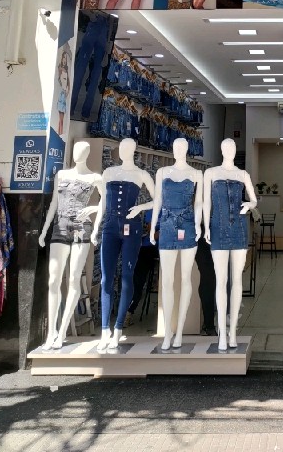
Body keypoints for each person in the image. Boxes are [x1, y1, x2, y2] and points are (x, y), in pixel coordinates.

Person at [38, 141, 103, 349]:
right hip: (60, 225)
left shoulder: (95, 178)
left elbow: (106, 201)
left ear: (88, 153)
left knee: (74, 279)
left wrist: (94, 214)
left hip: (81, 226)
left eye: (82, 151)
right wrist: (45, 230)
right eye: (75, 150)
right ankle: (51, 332)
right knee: (54, 280)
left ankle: (62, 331)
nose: (77, 153)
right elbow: (54, 204)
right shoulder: (62, 175)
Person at [96, 137, 155, 352]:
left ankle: (119, 327)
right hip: (110, 226)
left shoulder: (141, 174)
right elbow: (103, 202)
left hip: (132, 227)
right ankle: (105, 330)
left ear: (134, 150)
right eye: (121, 147)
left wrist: (140, 208)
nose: (123, 150)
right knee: (106, 278)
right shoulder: (108, 172)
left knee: (127, 276)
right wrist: (95, 227)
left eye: (128, 147)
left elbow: (158, 199)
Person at [203, 138, 257, 351]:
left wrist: (249, 204)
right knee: (221, 281)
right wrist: (206, 227)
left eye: (233, 147)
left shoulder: (243, 174)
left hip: (239, 229)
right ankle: (222, 334)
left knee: (237, 280)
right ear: (221, 149)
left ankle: (233, 331)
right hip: (217, 227)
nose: (230, 150)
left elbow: (254, 200)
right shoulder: (211, 173)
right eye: (226, 147)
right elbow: (206, 202)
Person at [150, 138, 203, 350]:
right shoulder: (162, 172)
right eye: (174, 147)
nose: (177, 150)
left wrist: (198, 224)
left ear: (187, 150)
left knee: (185, 278)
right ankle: (167, 331)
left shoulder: (196, 174)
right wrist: (153, 227)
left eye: (181, 147)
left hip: (188, 225)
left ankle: (179, 330)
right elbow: (158, 200)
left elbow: (198, 202)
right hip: (167, 226)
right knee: (167, 281)